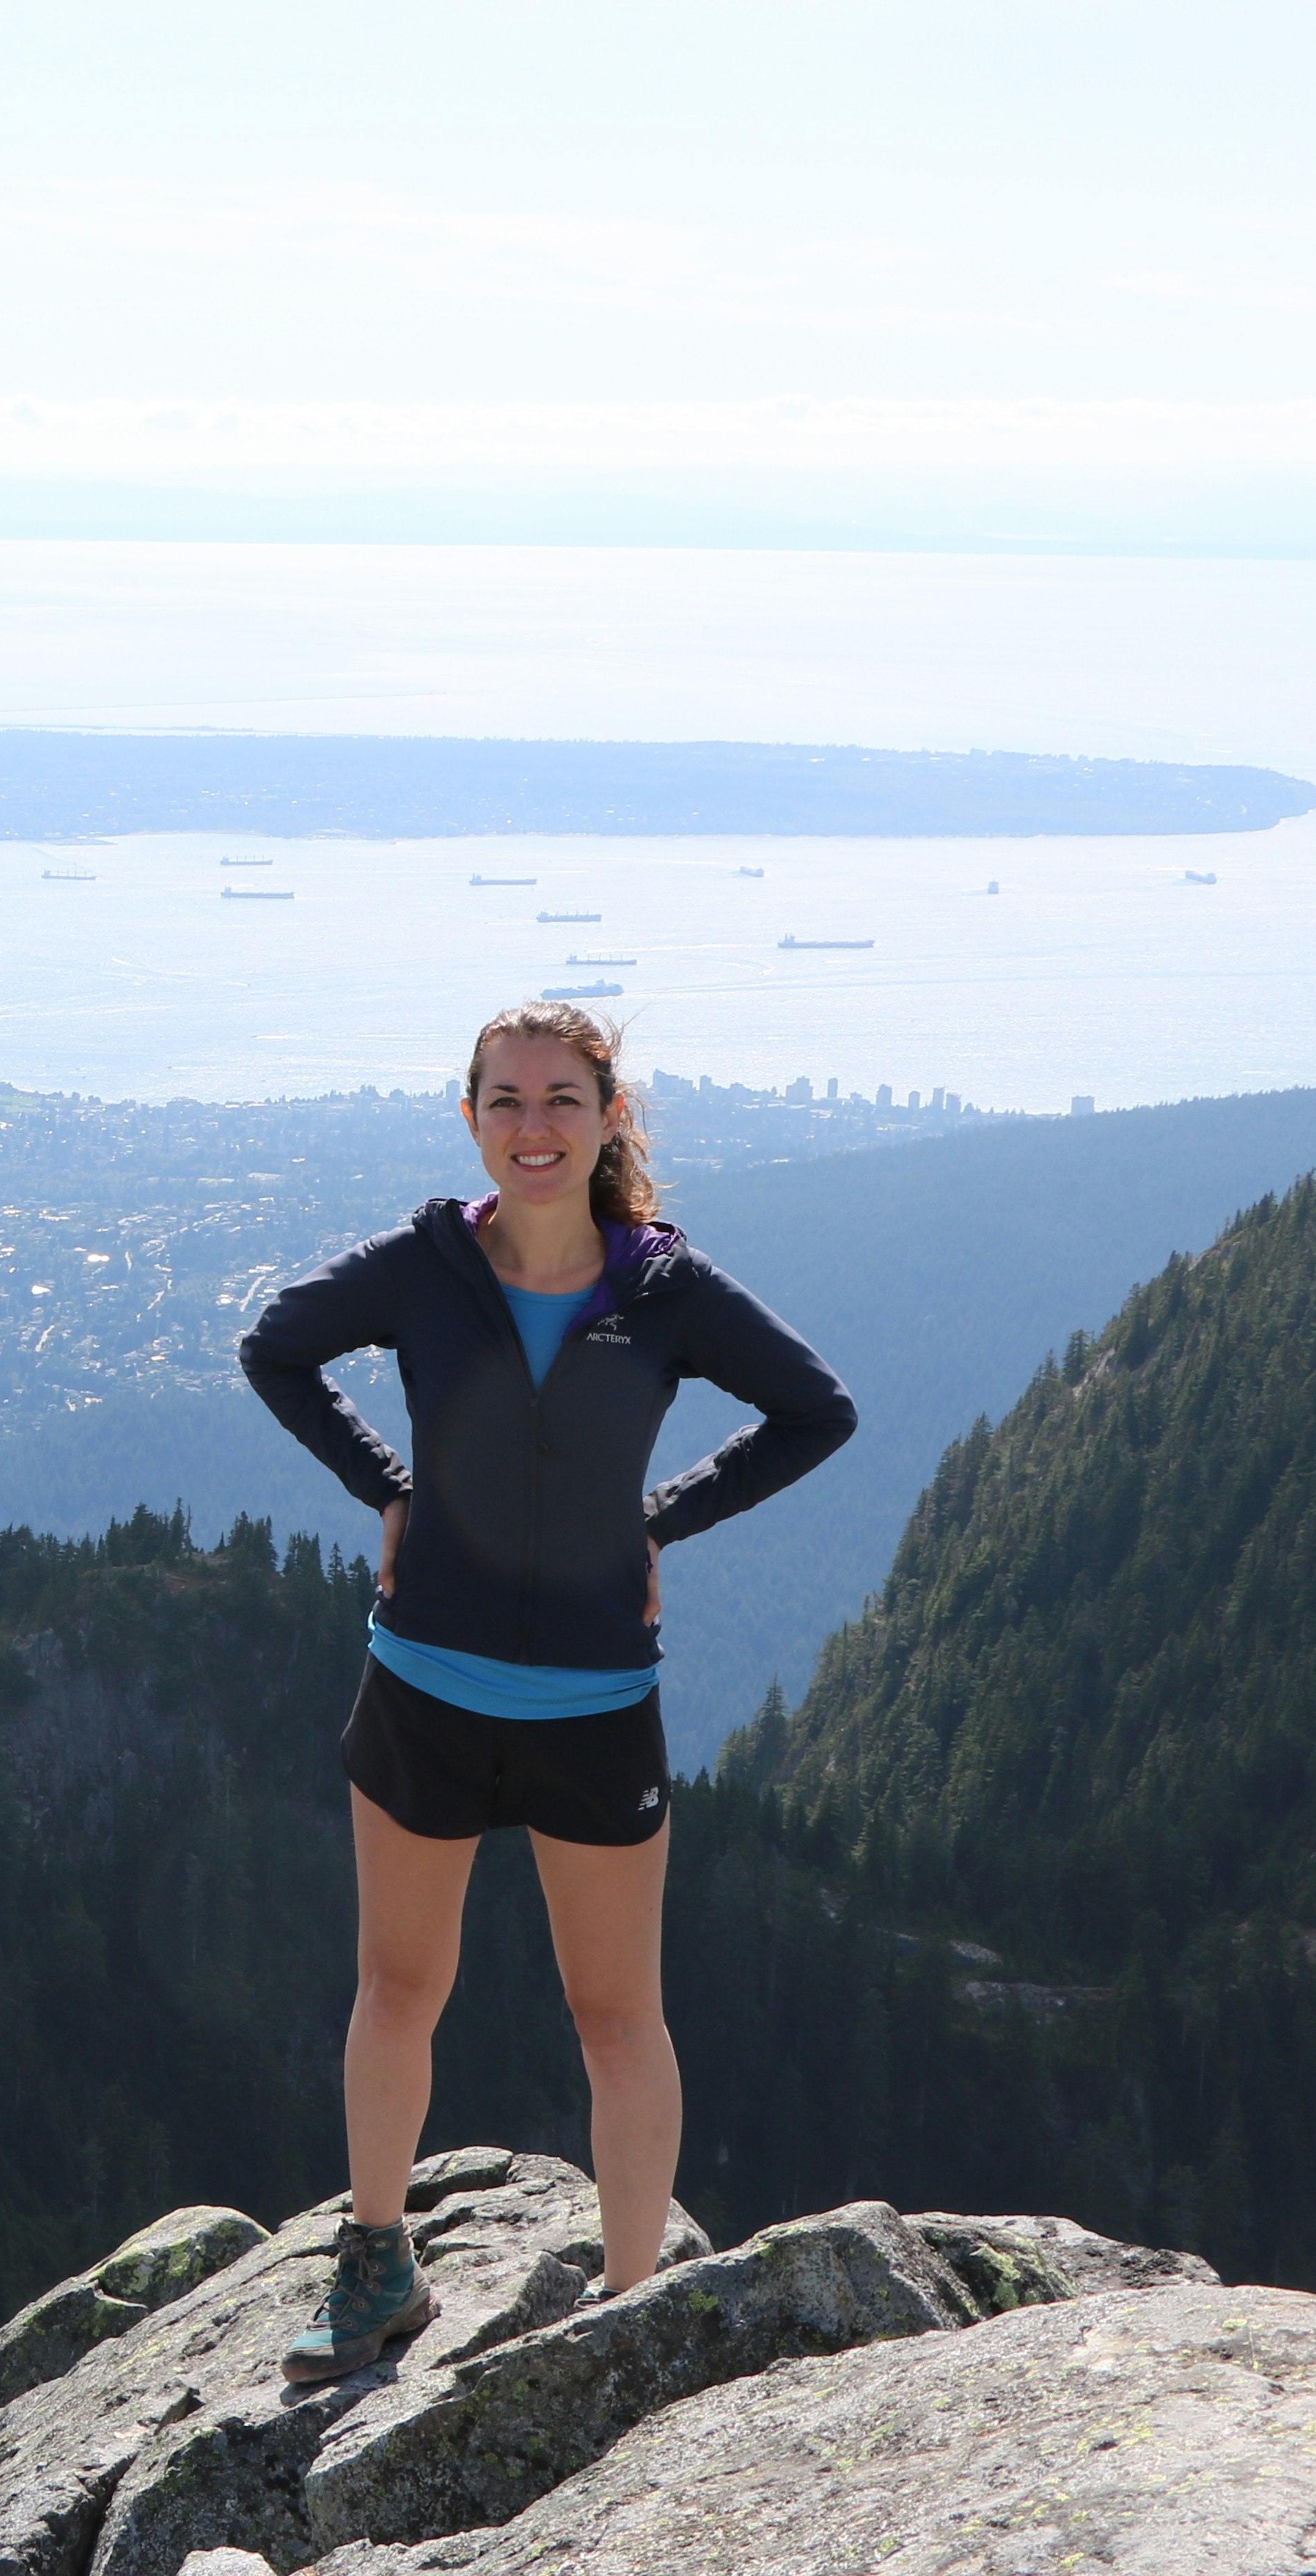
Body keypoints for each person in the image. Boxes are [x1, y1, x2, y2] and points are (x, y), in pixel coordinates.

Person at [239, 1002, 853, 2387]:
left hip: (591, 1701)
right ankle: (378, 2258)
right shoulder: (424, 1261)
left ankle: (635, 2299)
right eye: (506, 1100)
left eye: (563, 1098)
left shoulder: (663, 1287)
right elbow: (276, 1345)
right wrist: (385, 1488)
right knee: (399, 1985)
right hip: (426, 1685)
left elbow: (817, 1408)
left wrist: (666, 1516)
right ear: (470, 1118)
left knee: (617, 2014)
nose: (534, 1125)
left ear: (610, 1115)